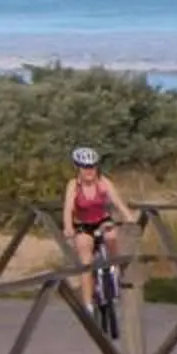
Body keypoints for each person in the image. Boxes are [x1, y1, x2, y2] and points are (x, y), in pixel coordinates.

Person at [63, 146, 127, 341]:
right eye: (84, 167)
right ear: (78, 168)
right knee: (85, 261)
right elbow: (68, 208)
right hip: (83, 225)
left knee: (112, 236)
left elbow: (118, 203)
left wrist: (129, 218)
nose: (89, 170)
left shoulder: (103, 182)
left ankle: (116, 267)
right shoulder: (73, 185)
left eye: (92, 166)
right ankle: (89, 306)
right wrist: (68, 228)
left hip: (102, 221)